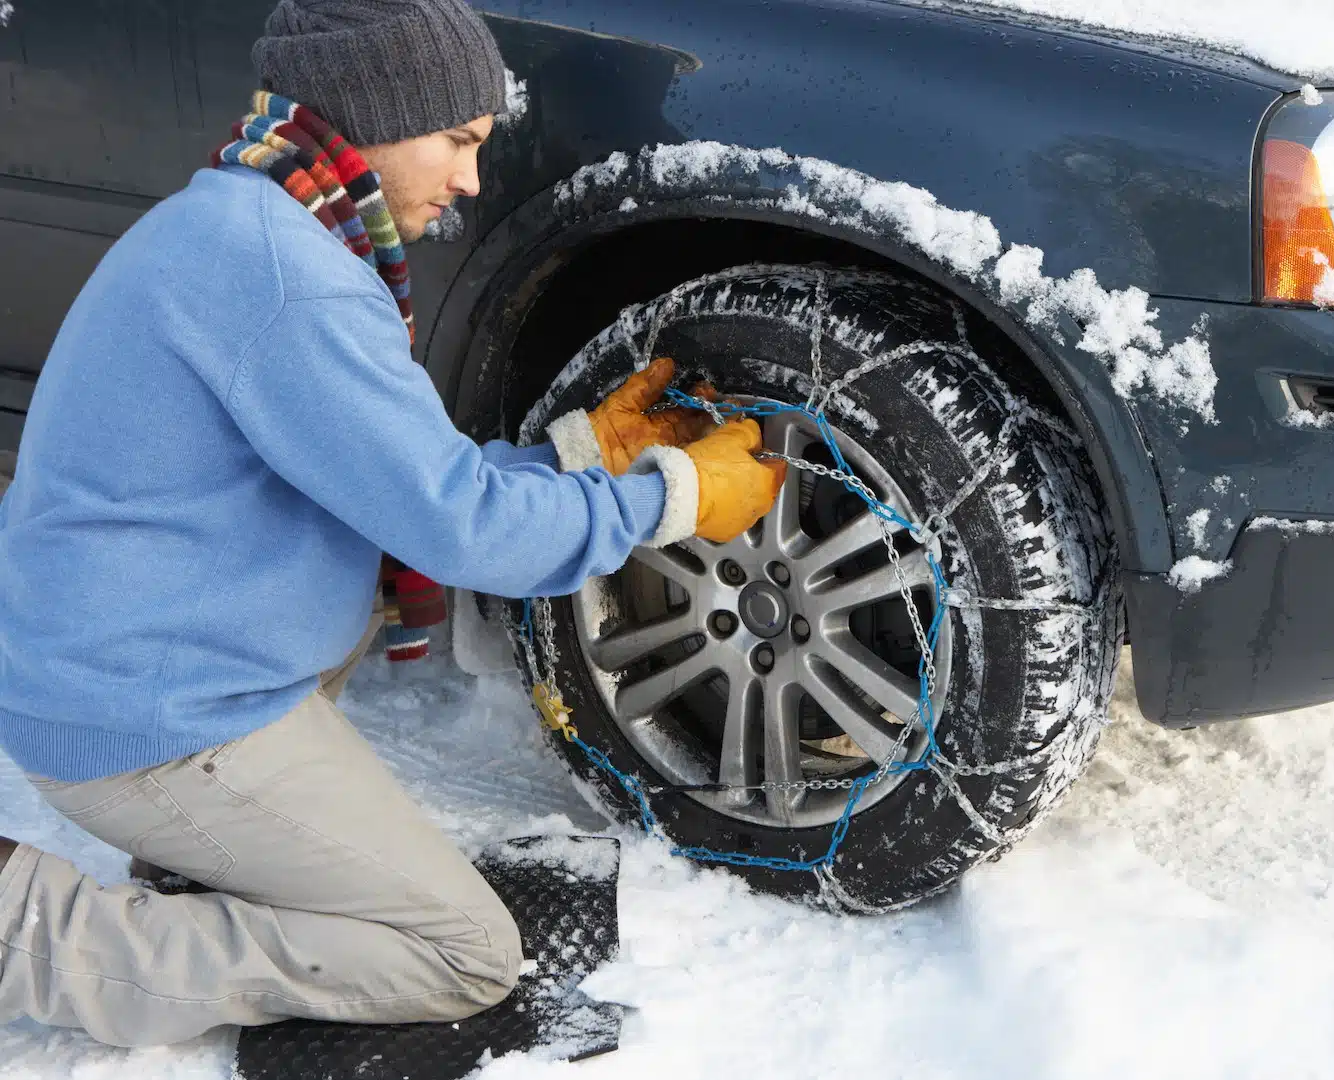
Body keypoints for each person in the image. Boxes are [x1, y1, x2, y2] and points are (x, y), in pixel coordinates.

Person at [0, 0, 785, 1048]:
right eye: (458, 140)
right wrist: (673, 499)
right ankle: (34, 933)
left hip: (139, 652)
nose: (470, 181)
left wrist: (584, 454)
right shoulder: (292, 284)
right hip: (146, 716)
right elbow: (457, 528)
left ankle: (205, 850)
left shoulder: (248, 221)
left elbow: (395, 479)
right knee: (459, 954)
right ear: (375, 112)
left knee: (356, 596)